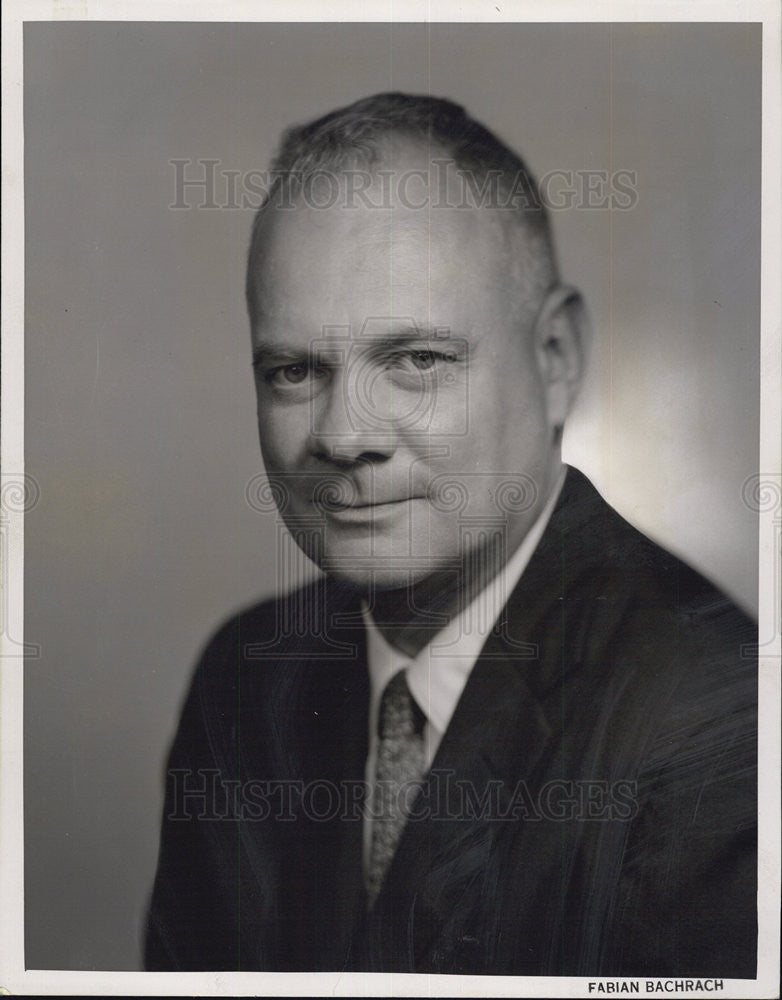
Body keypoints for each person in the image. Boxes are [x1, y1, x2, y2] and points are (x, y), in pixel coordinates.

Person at [144, 92, 757, 977]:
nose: (343, 434)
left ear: (555, 360)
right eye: (293, 370)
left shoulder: (720, 722)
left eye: (416, 361)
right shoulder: (246, 681)